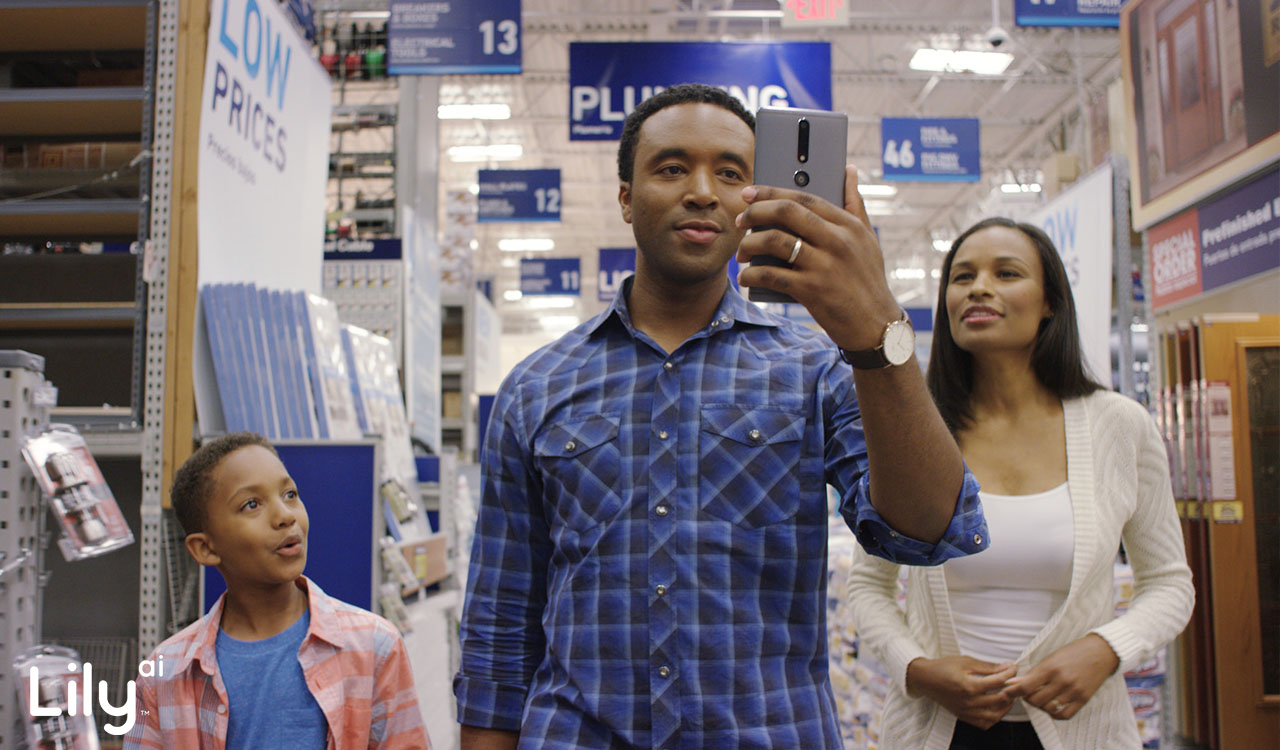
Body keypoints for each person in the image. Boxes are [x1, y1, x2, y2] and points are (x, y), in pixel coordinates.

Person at [453, 83, 989, 750]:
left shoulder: (817, 371)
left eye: (730, 172)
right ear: (626, 198)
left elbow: (931, 532)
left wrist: (878, 334)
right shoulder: (536, 388)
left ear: (754, 199)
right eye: (672, 167)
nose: (702, 190)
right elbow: (502, 621)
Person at [846, 217, 1194, 749]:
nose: (979, 287)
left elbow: (1170, 582)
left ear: (1051, 301)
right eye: (962, 278)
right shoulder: (914, 431)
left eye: (1006, 273)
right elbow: (869, 586)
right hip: (934, 732)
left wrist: (1106, 648)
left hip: (1084, 730)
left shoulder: (1119, 427)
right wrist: (917, 669)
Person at [124, 432, 430, 749]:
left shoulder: (374, 646)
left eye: (290, 494)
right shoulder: (165, 673)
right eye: (252, 504)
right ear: (205, 548)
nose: (285, 516)